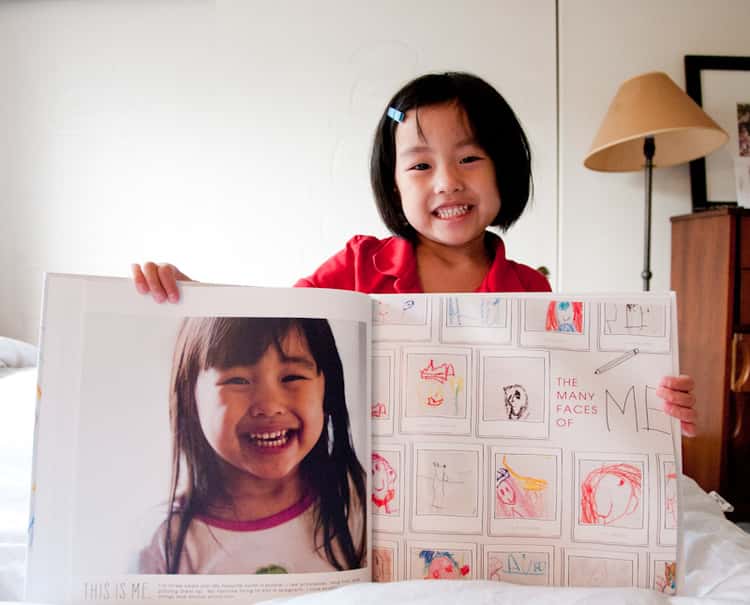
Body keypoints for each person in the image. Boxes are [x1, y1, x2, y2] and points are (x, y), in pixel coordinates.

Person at [131, 71, 696, 437]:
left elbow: (571, 402)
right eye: (421, 165)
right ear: (395, 184)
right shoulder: (359, 263)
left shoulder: (530, 290)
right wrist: (193, 296)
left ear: (505, 168)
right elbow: (275, 326)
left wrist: (654, 400)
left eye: (470, 158)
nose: (446, 182)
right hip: (371, 481)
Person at [138, 317, 366, 574]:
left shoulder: (359, 503)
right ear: (191, 397)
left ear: (328, 389)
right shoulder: (166, 546)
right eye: (237, 380)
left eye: (292, 377)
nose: (269, 406)